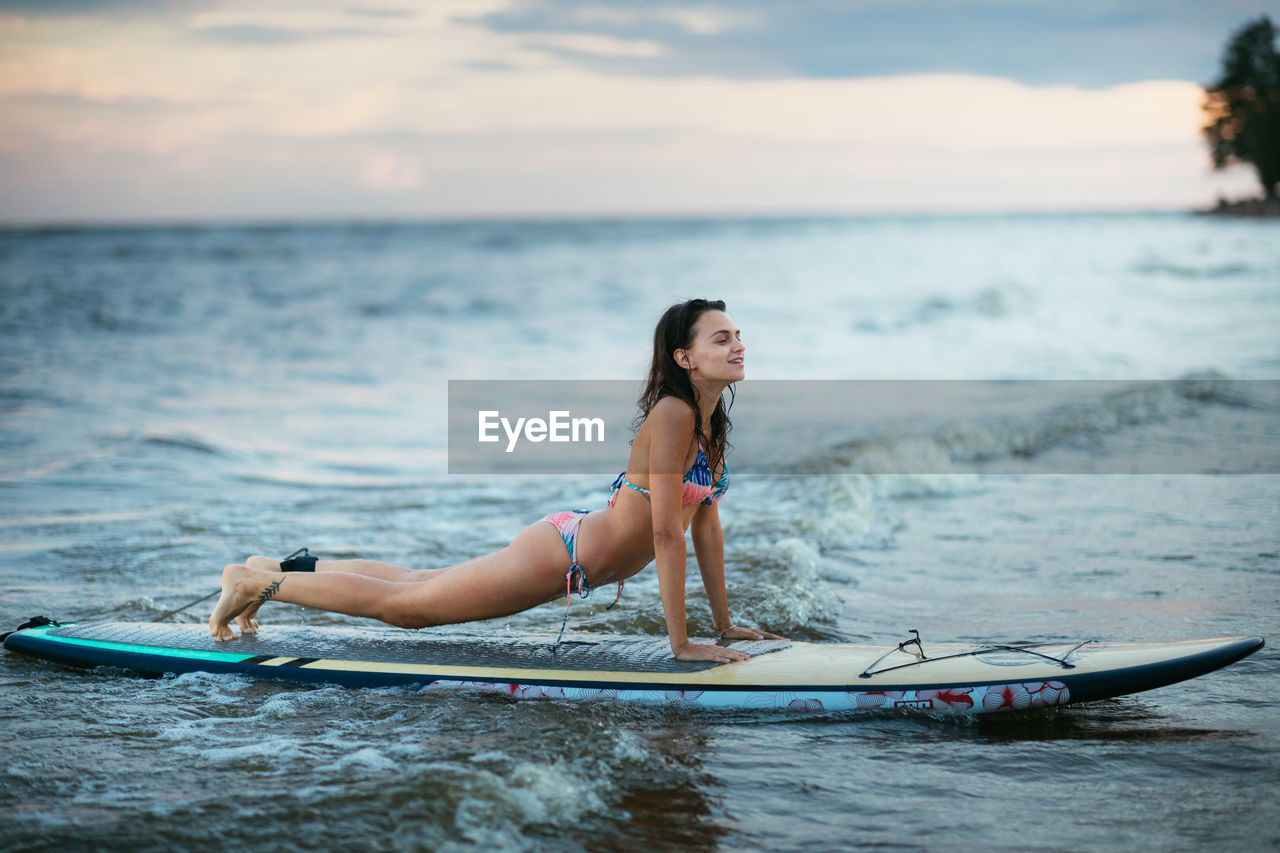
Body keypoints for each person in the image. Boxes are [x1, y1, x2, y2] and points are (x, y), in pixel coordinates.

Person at [208, 298, 782, 662]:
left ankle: (274, 569)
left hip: (571, 542)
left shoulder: (710, 423)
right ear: (684, 357)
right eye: (722, 338)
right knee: (407, 608)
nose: (738, 345)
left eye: (737, 335)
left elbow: (703, 526)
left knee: (414, 580)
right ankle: (252, 584)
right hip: (561, 556)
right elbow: (664, 536)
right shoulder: (675, 415)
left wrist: (726, 627)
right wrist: (680, 645)